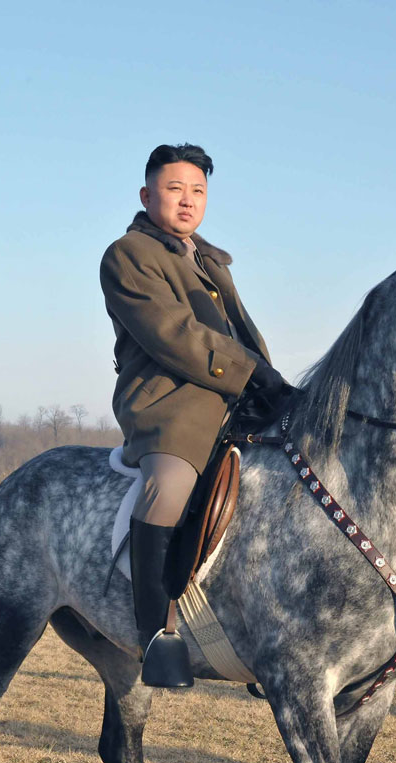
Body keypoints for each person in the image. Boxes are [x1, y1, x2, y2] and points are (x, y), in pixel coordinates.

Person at [100, 143, 287, 687]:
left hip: (236, 399)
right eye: (176, 188)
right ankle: (157, 635)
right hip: (169, 402)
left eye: (198, 190)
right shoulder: (128, 254)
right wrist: (252, 372)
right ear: (146, 194)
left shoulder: (208, 259)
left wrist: (272, 385)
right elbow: (173, 335)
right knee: (170, 485)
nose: (188, 200)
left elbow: (241, 335)